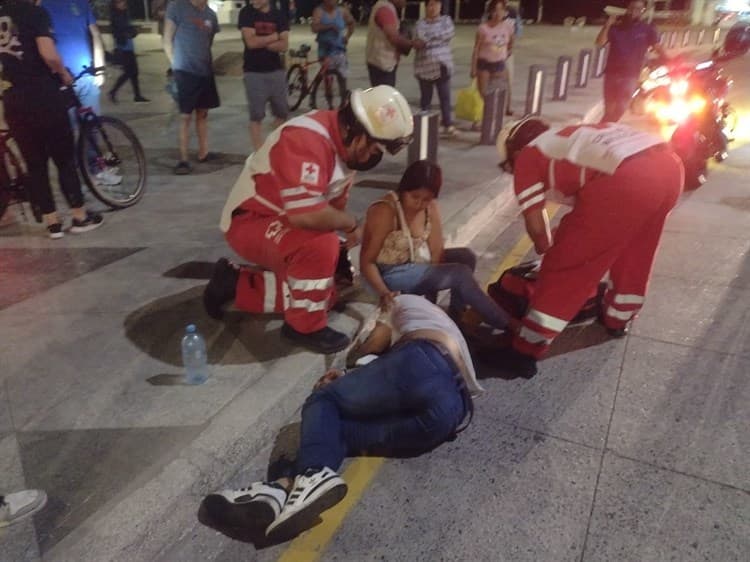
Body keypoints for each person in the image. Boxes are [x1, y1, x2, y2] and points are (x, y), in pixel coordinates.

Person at [203, 294, 478, 541]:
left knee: (324, 399)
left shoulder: (397, 302)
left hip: (424, 362)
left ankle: (310, 475)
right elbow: (392, 381)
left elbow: (371, 347)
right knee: (336, 432)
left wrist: (349, 367)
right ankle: (280, 490)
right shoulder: (432, 317)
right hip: (450, 415)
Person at [205, 86, 414, 354]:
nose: (373, 157)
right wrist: (349, 224)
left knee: (325, 292)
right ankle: (303, 327)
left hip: (280, 222)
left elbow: (329, 210)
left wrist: (339, 250)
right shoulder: (306, 139)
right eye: (374, 149)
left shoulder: (344, 149)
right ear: (356, 131)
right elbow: (307, 216)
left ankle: (236, 284)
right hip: (250, 221)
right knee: (320, 246)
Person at [483, 117, 684, 378]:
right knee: (636, 251)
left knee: (565, 268)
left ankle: (524, 352)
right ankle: (618, 318)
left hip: (627, 184)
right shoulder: (571, 135)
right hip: (669, 168)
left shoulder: (529, 154)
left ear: (514, 152)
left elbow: (537, 227)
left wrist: (551, 250)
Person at [360, 160, 511, 331]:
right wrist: (384, 293)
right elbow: (367, 262)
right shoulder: (385, 210)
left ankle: (457, 316)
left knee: (466, 256)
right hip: (385, 273)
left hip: (412, 263)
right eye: (414, 197)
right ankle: (506, 323)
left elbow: (436, 251)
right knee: (459, 273)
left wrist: (430, 300)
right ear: (403, 190)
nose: (419, 204)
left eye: (426, 199)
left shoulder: (429, 207)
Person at [0, 0, 104, 239]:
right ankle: (79, 216)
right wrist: (63, 73)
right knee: (63, 158)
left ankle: (52, 223)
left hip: (14, 99)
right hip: (43, 97)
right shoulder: (36, 13)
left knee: (35, 164)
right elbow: (49, 54)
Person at [163, 0, 220, 175]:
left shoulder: (211, 15)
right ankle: (183, 159)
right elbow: (167, 40)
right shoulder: (177, 7)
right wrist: (176, 66)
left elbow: (208, 42)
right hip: (185, 72)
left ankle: (203, 152)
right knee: (185, 117)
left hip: (205, 71)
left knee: (203, 113)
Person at [596, 0, 666, 123]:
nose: (635, 11)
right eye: (632, 8)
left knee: (621, 107)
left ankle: (603, 129)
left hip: (630, 76)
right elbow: (600, 42)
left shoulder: (647, 29)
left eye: (639, 9)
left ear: (643, 11)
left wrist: (669, 59)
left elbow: (657, 47)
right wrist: (608, 24)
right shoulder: (616, 27)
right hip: (612, 74)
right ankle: (603, 131)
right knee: (609, 110)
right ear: (627, 9)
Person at [239, 0, 290, 151]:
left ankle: (273, 146)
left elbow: (284, 45)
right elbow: (251, 43)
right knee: (256, 115)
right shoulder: (246, 13)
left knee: (282, 112)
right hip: (253, 72)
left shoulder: (279, 15)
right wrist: (274, 37)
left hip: (276, 70)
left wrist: (260, 41)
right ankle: (258, 152)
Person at [41, 0, 106, 114]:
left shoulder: (81, 3)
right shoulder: (41, 5)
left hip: (84, 76)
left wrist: (100, 69)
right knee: (70, 127)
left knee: (92, 125)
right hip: (60, 79)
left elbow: (95, 34)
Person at [413, 0, 456, 136]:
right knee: (425, 98)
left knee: (445, 97)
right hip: (424, 67)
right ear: (425, 7)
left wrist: (429, 38)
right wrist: (437, 38)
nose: (433, 8)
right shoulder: (420, 24)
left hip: (442, 65)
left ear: (440, 6)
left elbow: (449, 34)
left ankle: (447, 124)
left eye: (436, 4)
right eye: (430, 5)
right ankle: (423, 125)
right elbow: (420, 39)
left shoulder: (446, 20)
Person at [470, 0, 514, 128]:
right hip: (484, 65)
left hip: (500, 65)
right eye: (494, 10)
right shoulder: (483, 28)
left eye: (500, 10)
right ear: (490, 12)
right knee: (484, 95)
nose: (497, 13)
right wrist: (473, 67)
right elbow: (476, 49)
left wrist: (506, 53)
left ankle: (494, 121)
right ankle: (481, 120)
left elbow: (511, 43)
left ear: (505, 12)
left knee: (500, 94)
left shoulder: (508, 27)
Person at [365, 0, 424, 87]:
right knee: (385, 97)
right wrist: (413, 43)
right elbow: (393, 37)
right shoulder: (385, 10)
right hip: (382, 65)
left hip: (379, 63)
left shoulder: (385, 6)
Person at [108, 0, 149, 104]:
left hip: (129, 47)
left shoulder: (124, 14)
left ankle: (137, 96)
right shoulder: (116, 16)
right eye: (121, 2)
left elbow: (129, 29)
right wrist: (131, 32)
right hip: (123, 48)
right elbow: (120, 31)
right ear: (116, 4)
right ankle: (113, 92)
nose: (124, 4)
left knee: (134, 72)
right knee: (129, 72)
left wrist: (132, 31)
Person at [311, 0, 355, 78]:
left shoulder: (342, 11)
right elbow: (314, 28)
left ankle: (342, 89)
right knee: (328, 78)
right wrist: (330, 26)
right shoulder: (319, 11)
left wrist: (347, 36)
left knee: (343, 77)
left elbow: (351, 23)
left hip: (339, 49)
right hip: (325, 50)